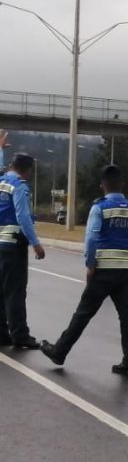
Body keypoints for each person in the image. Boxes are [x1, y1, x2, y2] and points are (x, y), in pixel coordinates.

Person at [41, 165, 128, 375]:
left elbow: (91, 240)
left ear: (102, 186)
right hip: (127, 270)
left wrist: (90, 265)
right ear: (122, 184)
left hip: (103, 270)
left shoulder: (99, 208)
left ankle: (59, 351)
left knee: (83, 313)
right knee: (127, 316)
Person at [0, 135, 45, 349]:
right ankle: (20, 335)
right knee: (15, 292)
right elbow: (23, 216)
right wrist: (35, 243)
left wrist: (0, 150)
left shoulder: (1, 182)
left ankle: (2, 333)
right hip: (13, 245)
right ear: (26, 170)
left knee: (0, 292)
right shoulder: (19, 186)